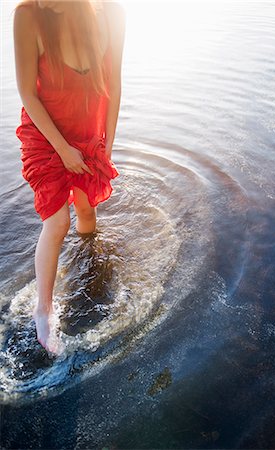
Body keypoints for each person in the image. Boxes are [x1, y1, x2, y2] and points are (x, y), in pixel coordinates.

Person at [13, 0, 126, 353]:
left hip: (88, 134)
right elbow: (27, 93)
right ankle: (43, 311)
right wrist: (62, 149)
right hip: (45, 137)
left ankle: (87, 258)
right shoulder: (28, 15)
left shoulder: (112, 13)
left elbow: (114, 81)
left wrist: (106, 145)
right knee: (58, 220)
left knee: (88, 211)